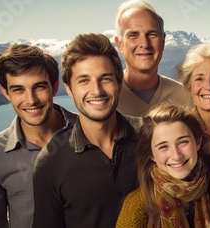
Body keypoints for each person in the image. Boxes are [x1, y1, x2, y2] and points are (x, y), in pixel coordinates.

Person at [32, 33, 141, 227]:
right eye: (84, 81)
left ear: (119, 83)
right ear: (69, 88)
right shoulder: (50, 162)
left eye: (105, 78)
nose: (97, 91)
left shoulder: (151, 137)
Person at [0, 45, 76, 228]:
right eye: (18, 89)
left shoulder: (91, 132)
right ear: (5, 92)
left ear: (54, 86)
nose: (31, 100)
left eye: (39, 86)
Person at [116, 103, 210, 227]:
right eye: (163, 147)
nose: (176, 155)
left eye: (183, 142)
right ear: (151, 154)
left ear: (198, 142)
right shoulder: (136, 206)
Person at [114, 0, 191, 116]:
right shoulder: (108, 97)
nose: (144, 44)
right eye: (133, 35)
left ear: (163, 41)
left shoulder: (185, 97)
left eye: (152, 34)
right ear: (119, 44)